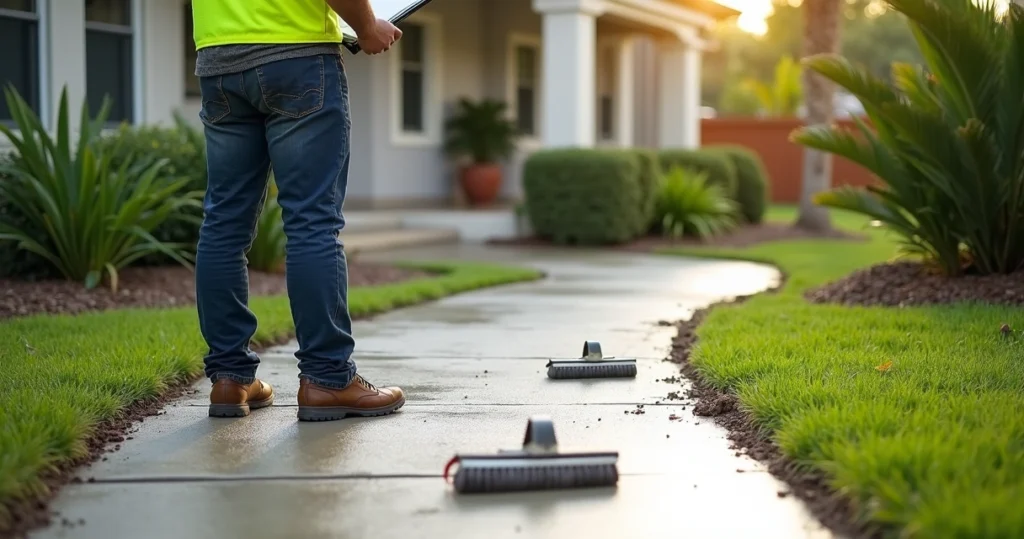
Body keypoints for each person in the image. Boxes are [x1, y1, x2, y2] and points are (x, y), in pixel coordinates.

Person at [190, 0, 405, 422]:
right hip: (295, 54)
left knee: (223, 226)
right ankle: (328, 378)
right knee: (312, 224)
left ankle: (229, 379)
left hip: (218, 58)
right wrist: (365, 25)